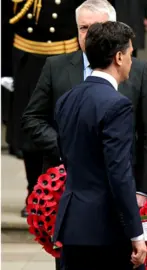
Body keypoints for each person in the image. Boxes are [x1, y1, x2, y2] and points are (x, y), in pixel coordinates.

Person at [21, 0, 147, 208]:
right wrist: (64, 146)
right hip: (66, 184)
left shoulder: (137, 71)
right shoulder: (55, 67)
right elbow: (32, 119)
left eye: (97, 29)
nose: (89, 35)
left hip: (119, 184)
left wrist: (144, 190)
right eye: (83, 28)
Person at [53, 21, 147, 270]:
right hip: (105, 230)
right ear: (118, 56)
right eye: (129, 52)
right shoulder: (118, 104)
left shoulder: (66, 99)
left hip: (73, 224)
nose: (131, 59)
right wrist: (136, 234)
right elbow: (119, 173)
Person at [7, 0, 83, 217]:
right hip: (28, 61)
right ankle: (34, 192)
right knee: (30, 134)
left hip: (66, 58)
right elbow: (6, 22)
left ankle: (61, 192)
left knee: (66, 129)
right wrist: (5, 68)